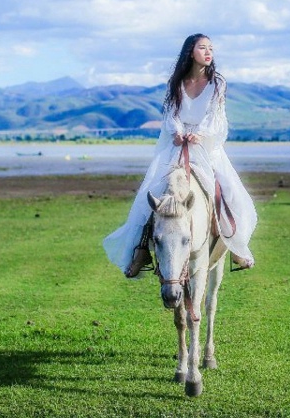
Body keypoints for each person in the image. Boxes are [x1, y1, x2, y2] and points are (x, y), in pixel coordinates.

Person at [103, 33, 257, 278]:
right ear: (190, 52)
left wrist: (202, 134)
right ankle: (141, 249)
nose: (208, 53)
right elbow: (171, 114)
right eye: (203, 48)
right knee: (150, 195)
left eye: (211, 49)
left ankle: (234, 245)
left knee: (227, 192)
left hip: (206, 147)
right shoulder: (176, 82)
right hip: (178, 145)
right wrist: (177, 131)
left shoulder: (217, 83)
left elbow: (216, 116)